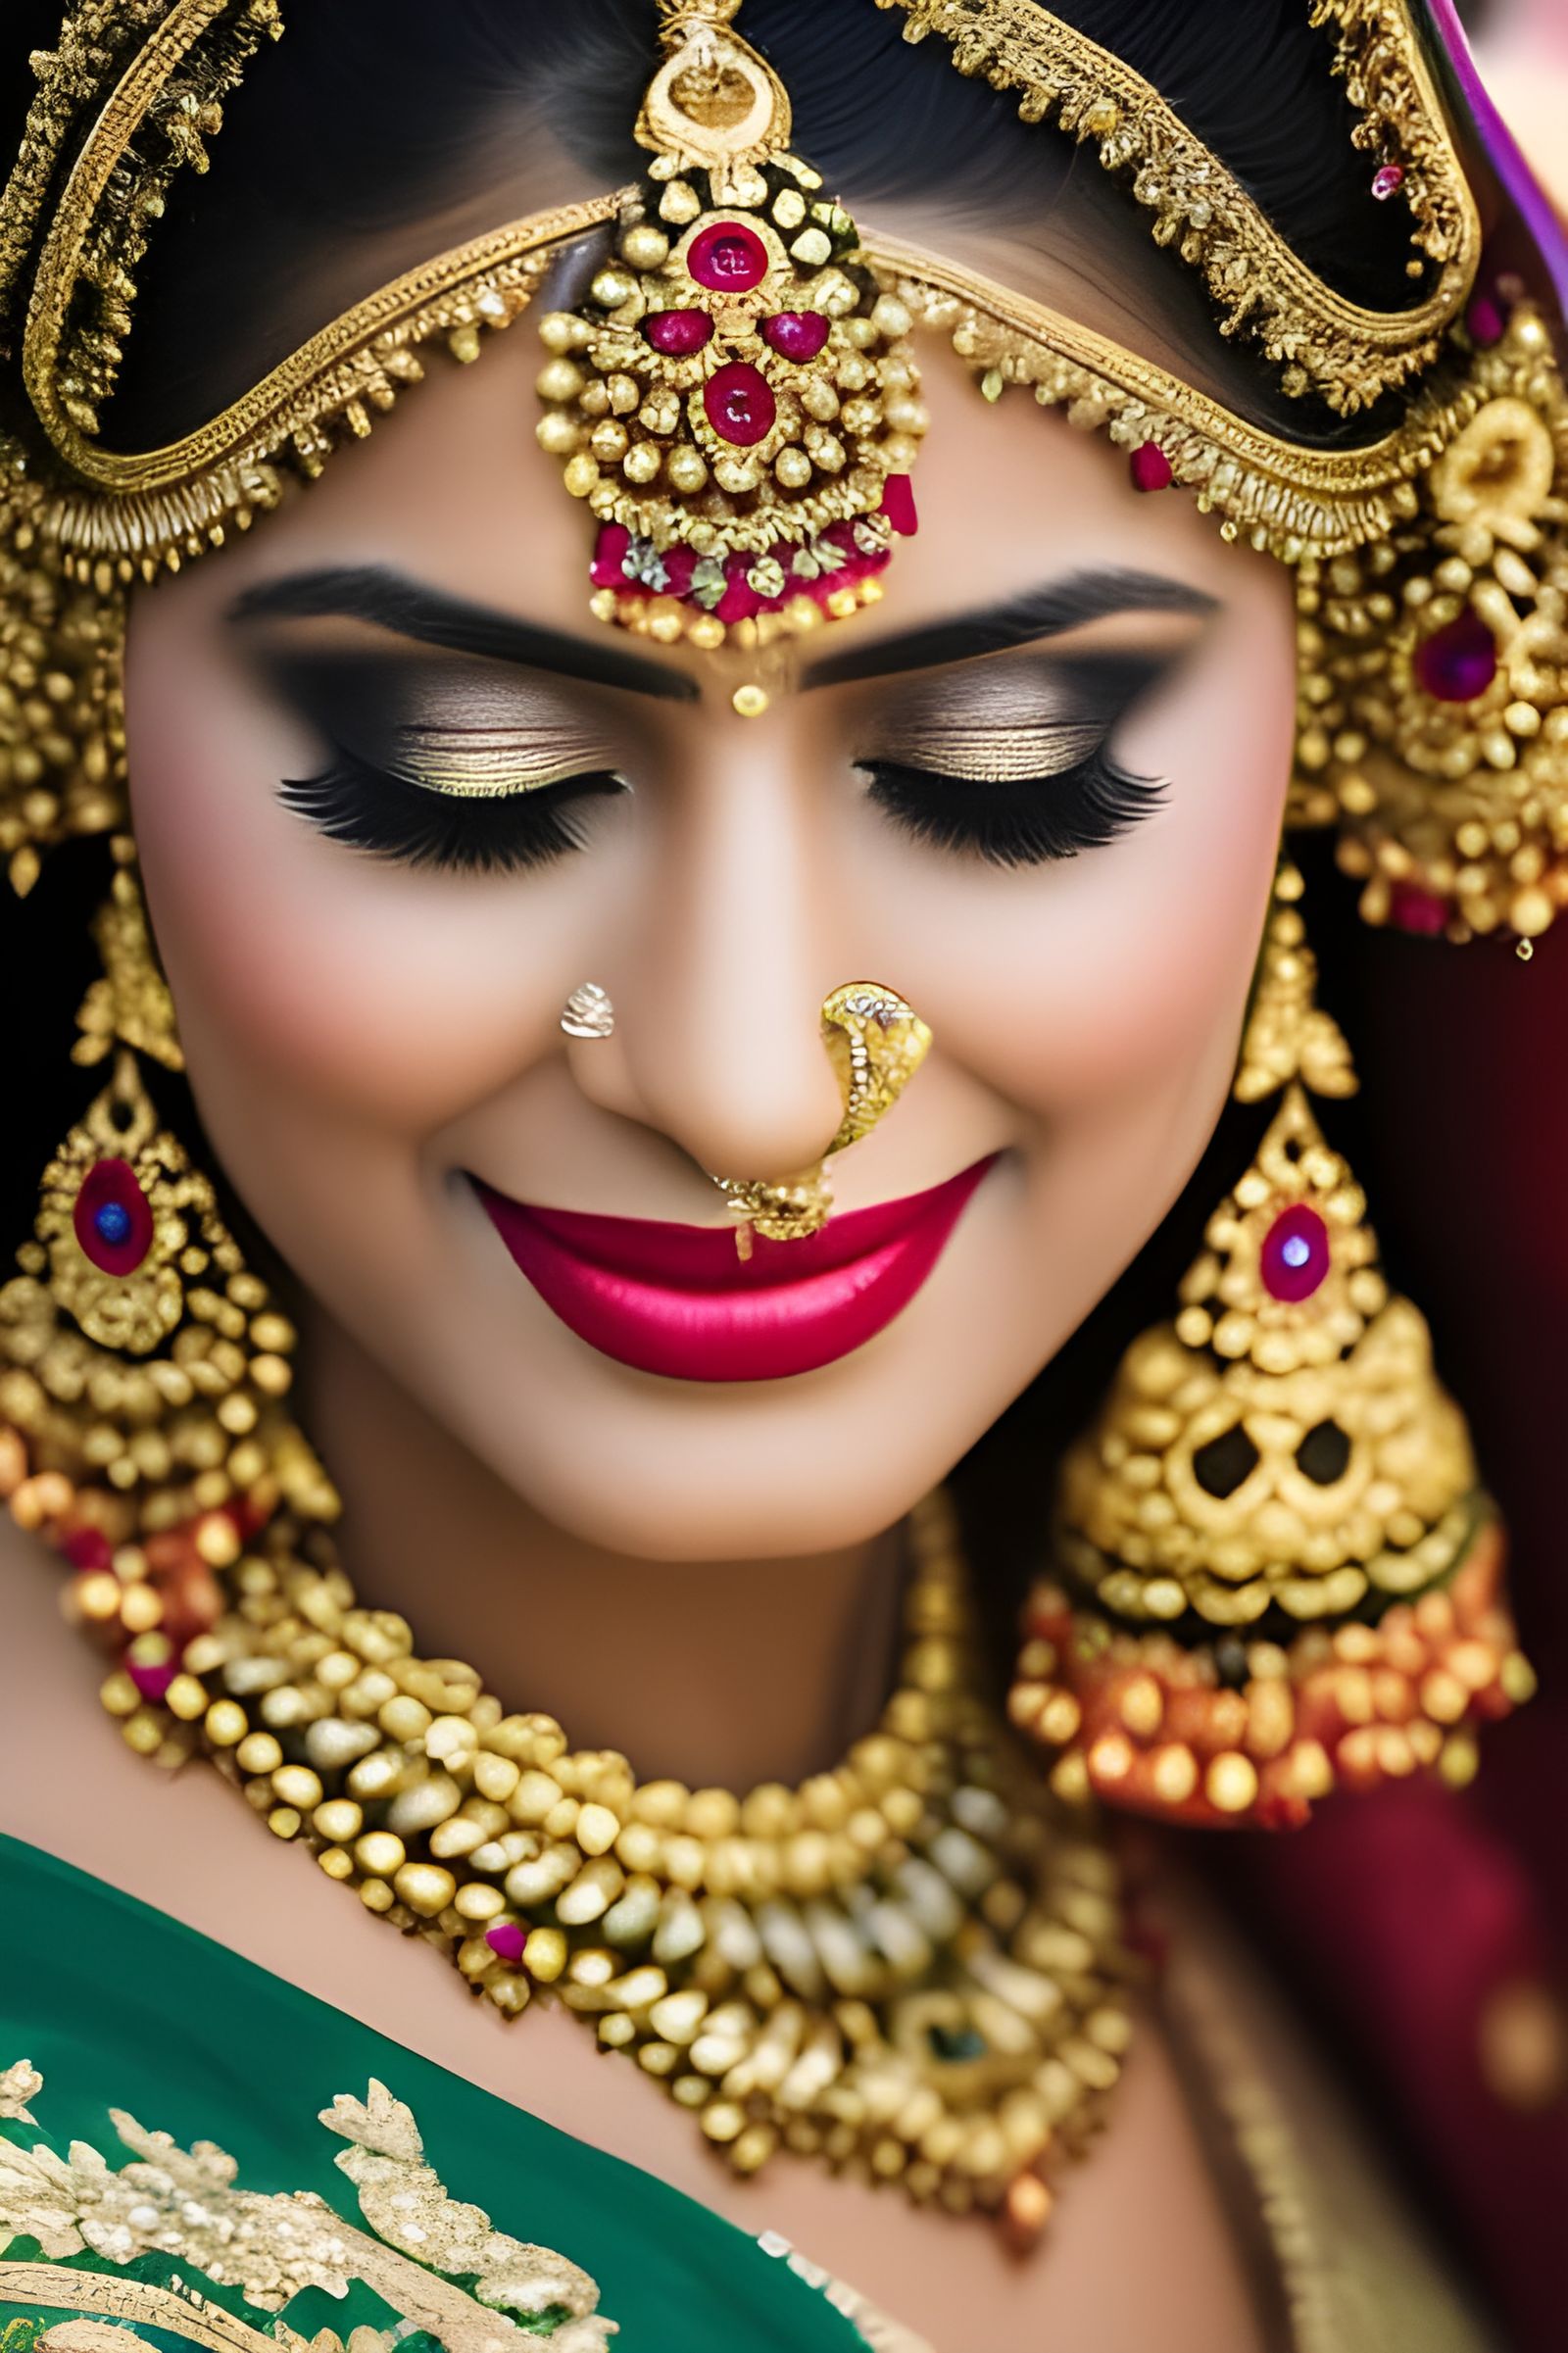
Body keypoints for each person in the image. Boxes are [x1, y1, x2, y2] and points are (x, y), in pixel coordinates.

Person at [1, 4, 1564, 2347]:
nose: (742, 1088)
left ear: (1351, 705)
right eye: (467, 772)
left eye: (1006, 770)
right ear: (76, 679)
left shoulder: (1313, 1855)